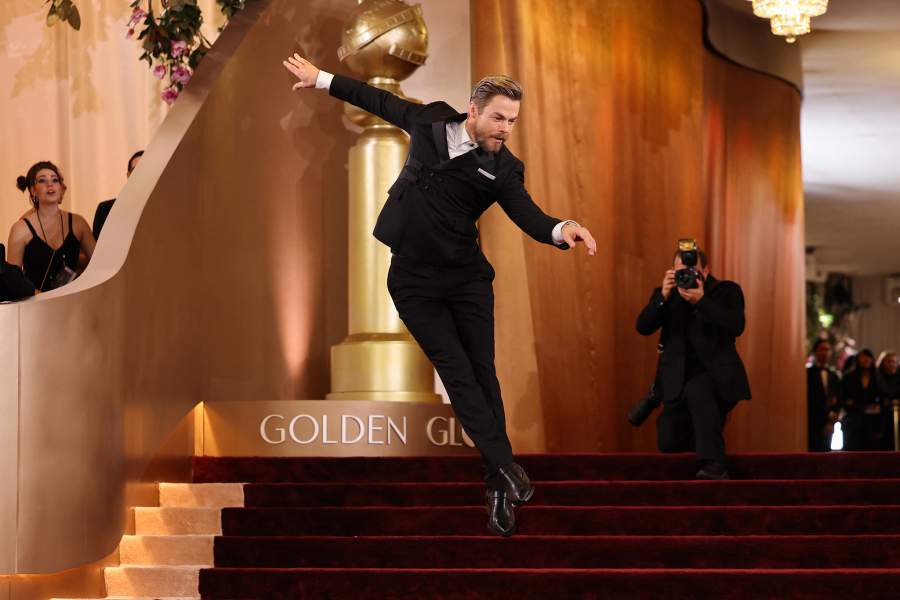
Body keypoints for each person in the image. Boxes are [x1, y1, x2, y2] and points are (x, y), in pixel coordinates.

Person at [283, 54, 597, 537]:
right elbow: (378, 99)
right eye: (498, 117)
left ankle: (499, 483)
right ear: (473, 110)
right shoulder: (429, 119)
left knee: (483, 376)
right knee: (457, 373)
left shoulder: (505, 169)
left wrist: (563, 228)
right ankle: (505, 467)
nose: (505, 129)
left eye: (512, 121)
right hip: (413, 281)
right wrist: (321, 79)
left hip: (467, 280)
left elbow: (529, 216)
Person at [635, 244, 751, 480]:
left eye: (693, 271)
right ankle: (695, 479)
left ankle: (716, 466)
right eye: (680, 272)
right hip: (676, 380)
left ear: (705, 272)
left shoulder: (725, 291)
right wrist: (662, 297)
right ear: (672, 272)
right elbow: (643, 327)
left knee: (698, 391)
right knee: (669, 439)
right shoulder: (666, 296)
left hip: (717, 378)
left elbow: (736, 325)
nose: (686, 277)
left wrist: (701, 301)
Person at [6, 161, 95, 292]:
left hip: (74, 302)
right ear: (33, 191)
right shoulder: (20, 229)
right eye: (42, 180)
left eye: (55, 180)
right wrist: (41, 297)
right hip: (35, 305)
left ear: (61, 188)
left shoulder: (78, 223)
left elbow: (99, 264)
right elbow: (13, 281)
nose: (50, 184)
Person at [93, 150, 143, 240]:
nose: (141, 174)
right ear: (128, 175)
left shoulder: (164, 209)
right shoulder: (105, 210)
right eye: (136, 170)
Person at [840, 348, 881, 451]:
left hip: (873, 422)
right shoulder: (848, 377)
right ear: (857, 359)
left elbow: (881, 397)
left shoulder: (877, 377)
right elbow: (844, 399)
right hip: (853, 421)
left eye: (868, 357)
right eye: (862, 357)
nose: (866, 360)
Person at [807, 339, 841, 452]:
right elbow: (811, 398)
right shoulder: (808, 373)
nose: (825, 352)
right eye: (821, 349)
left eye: (827, 349)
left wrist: (834, 416)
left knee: (827, 451)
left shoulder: (834, 375)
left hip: (829, 422)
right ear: (815, 352)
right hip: (813, 419)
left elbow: (837, 396)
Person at [876, 350, 899, 450]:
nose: (892, 364)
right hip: (882, 417)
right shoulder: (877, 378)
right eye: (889, 362)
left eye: (894, 361)